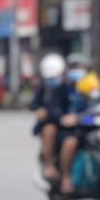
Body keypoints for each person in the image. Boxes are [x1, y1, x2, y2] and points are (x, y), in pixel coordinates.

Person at [58, 56, 100, 195]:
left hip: (90, 125)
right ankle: (66, 178)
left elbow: (97, 111)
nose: (76, 71)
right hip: (72, 129)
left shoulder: (92, 86)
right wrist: (66, 118)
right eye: (74, 68)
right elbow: (57, 109)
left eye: (80, 68)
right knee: (70, 143)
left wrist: (82, 119)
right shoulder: (65, 88)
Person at [31, 52, 69, 183]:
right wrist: (38, 109)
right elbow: (35, 104)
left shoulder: (69, 86)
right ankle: (50, 166)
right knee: (49, 130)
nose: (52, 80)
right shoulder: (44, 88)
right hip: (52, 122)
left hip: (72, 123)